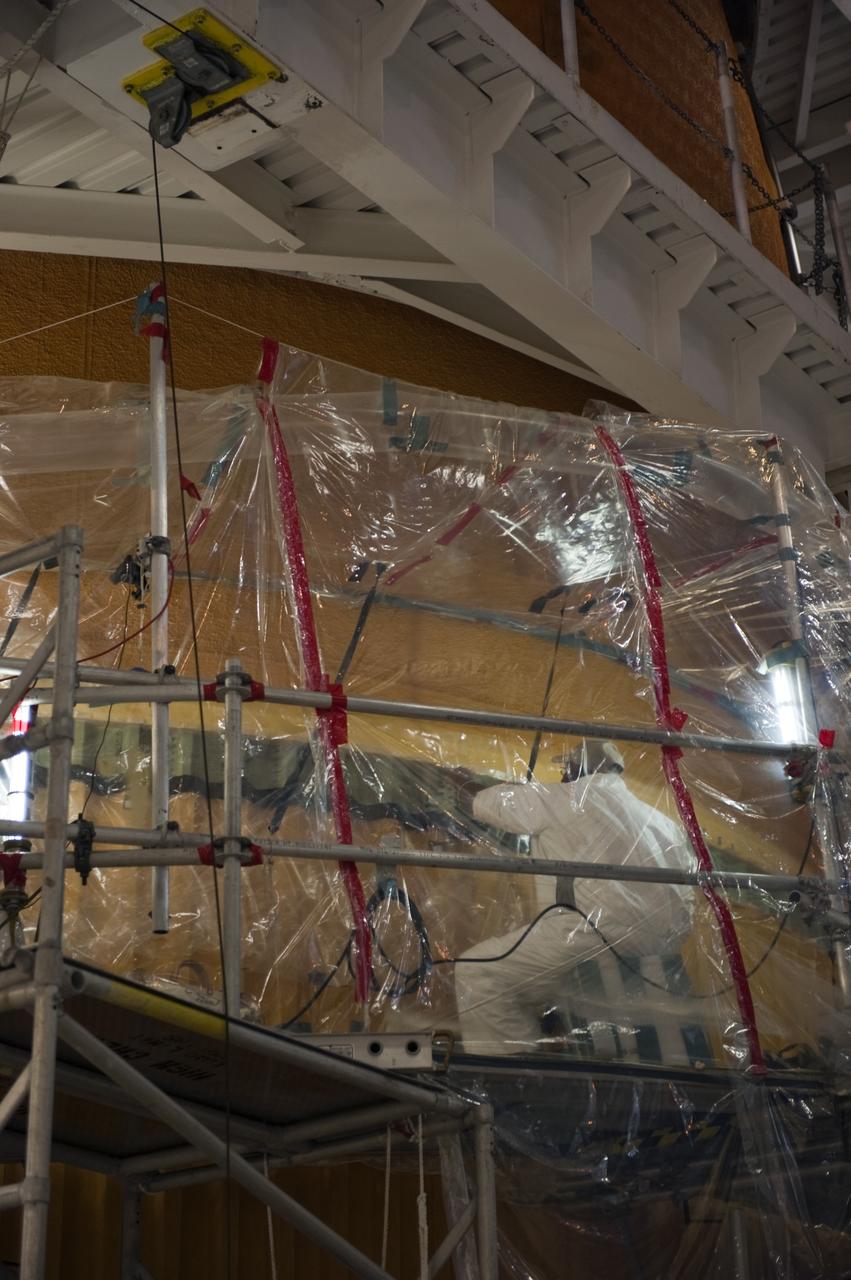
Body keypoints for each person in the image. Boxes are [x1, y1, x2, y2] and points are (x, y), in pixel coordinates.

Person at [451, 740, 694, 1053]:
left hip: (585, 939)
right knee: (533, 976)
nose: (563, 773)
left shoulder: (564, 798)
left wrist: (455, 775)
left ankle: (516, 1069)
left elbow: (476, 800)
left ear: (581, 767)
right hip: (661, 953)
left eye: (568, 766)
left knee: (478, 972)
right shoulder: (663, 823)